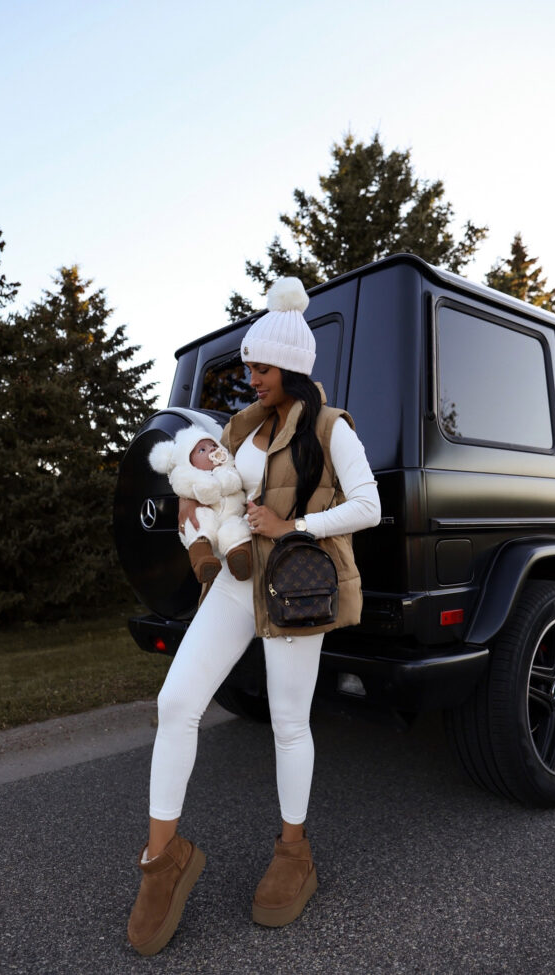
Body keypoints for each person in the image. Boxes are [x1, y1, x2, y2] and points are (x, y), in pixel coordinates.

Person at [127, 276, 381, 956]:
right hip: (238, 582)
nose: (250, 377)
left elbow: (369, 504)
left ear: (292, 368)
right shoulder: (243, 425)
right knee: (175, 698)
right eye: (248, 365)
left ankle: (293, 851)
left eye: (261, 367)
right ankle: (163, 858)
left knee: (289, 721)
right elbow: (219, 480)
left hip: (296, 586)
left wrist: (296, 522)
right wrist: (195, 505)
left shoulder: (331, 427)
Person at [148, 423, 253, 583]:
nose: (211, 450)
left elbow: (234, 482)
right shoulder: (189, 476)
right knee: (197, 521)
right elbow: (184, 486)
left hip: (230, 516)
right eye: (202, 450)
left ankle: (239, 557)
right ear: (190, 462)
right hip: (205, 515)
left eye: (213, 445)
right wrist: (205, 486)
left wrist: (218, 483)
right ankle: (202, 558)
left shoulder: (228, 469)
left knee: (234, 528)